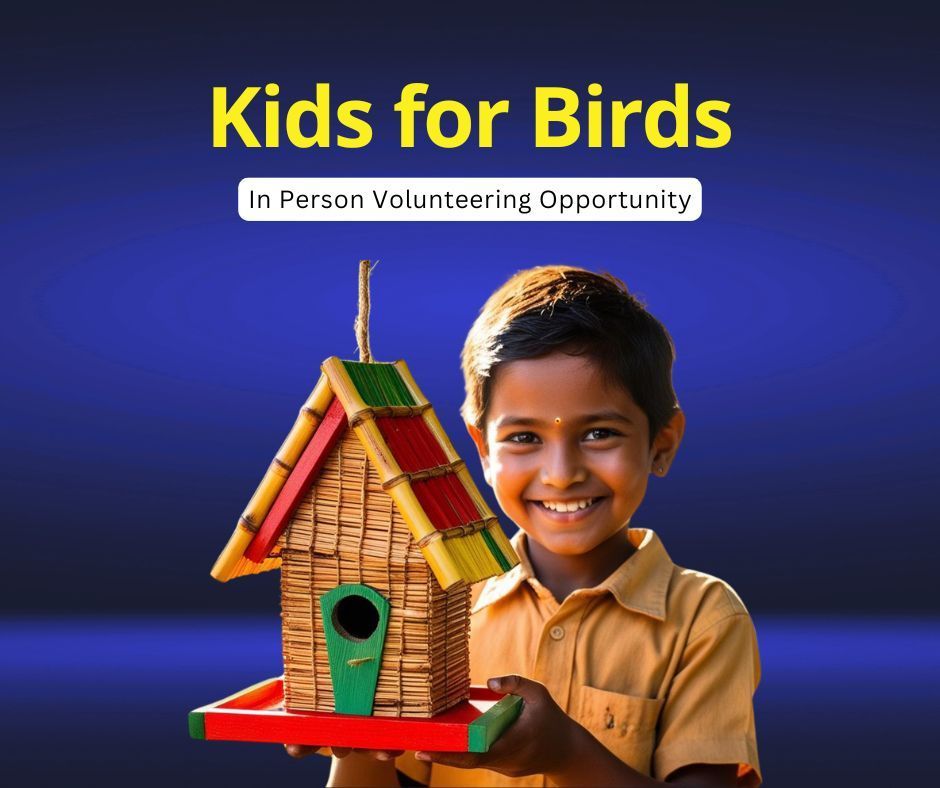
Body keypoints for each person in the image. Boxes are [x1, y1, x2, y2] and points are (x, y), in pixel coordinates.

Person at [289, 265, 761, 786]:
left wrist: (565, 756)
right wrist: (353, 735)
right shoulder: (439, 603)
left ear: (662, 443)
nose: (561, 475)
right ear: (482, 449)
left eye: (600, 432)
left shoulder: (705, 620)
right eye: (523, 438)